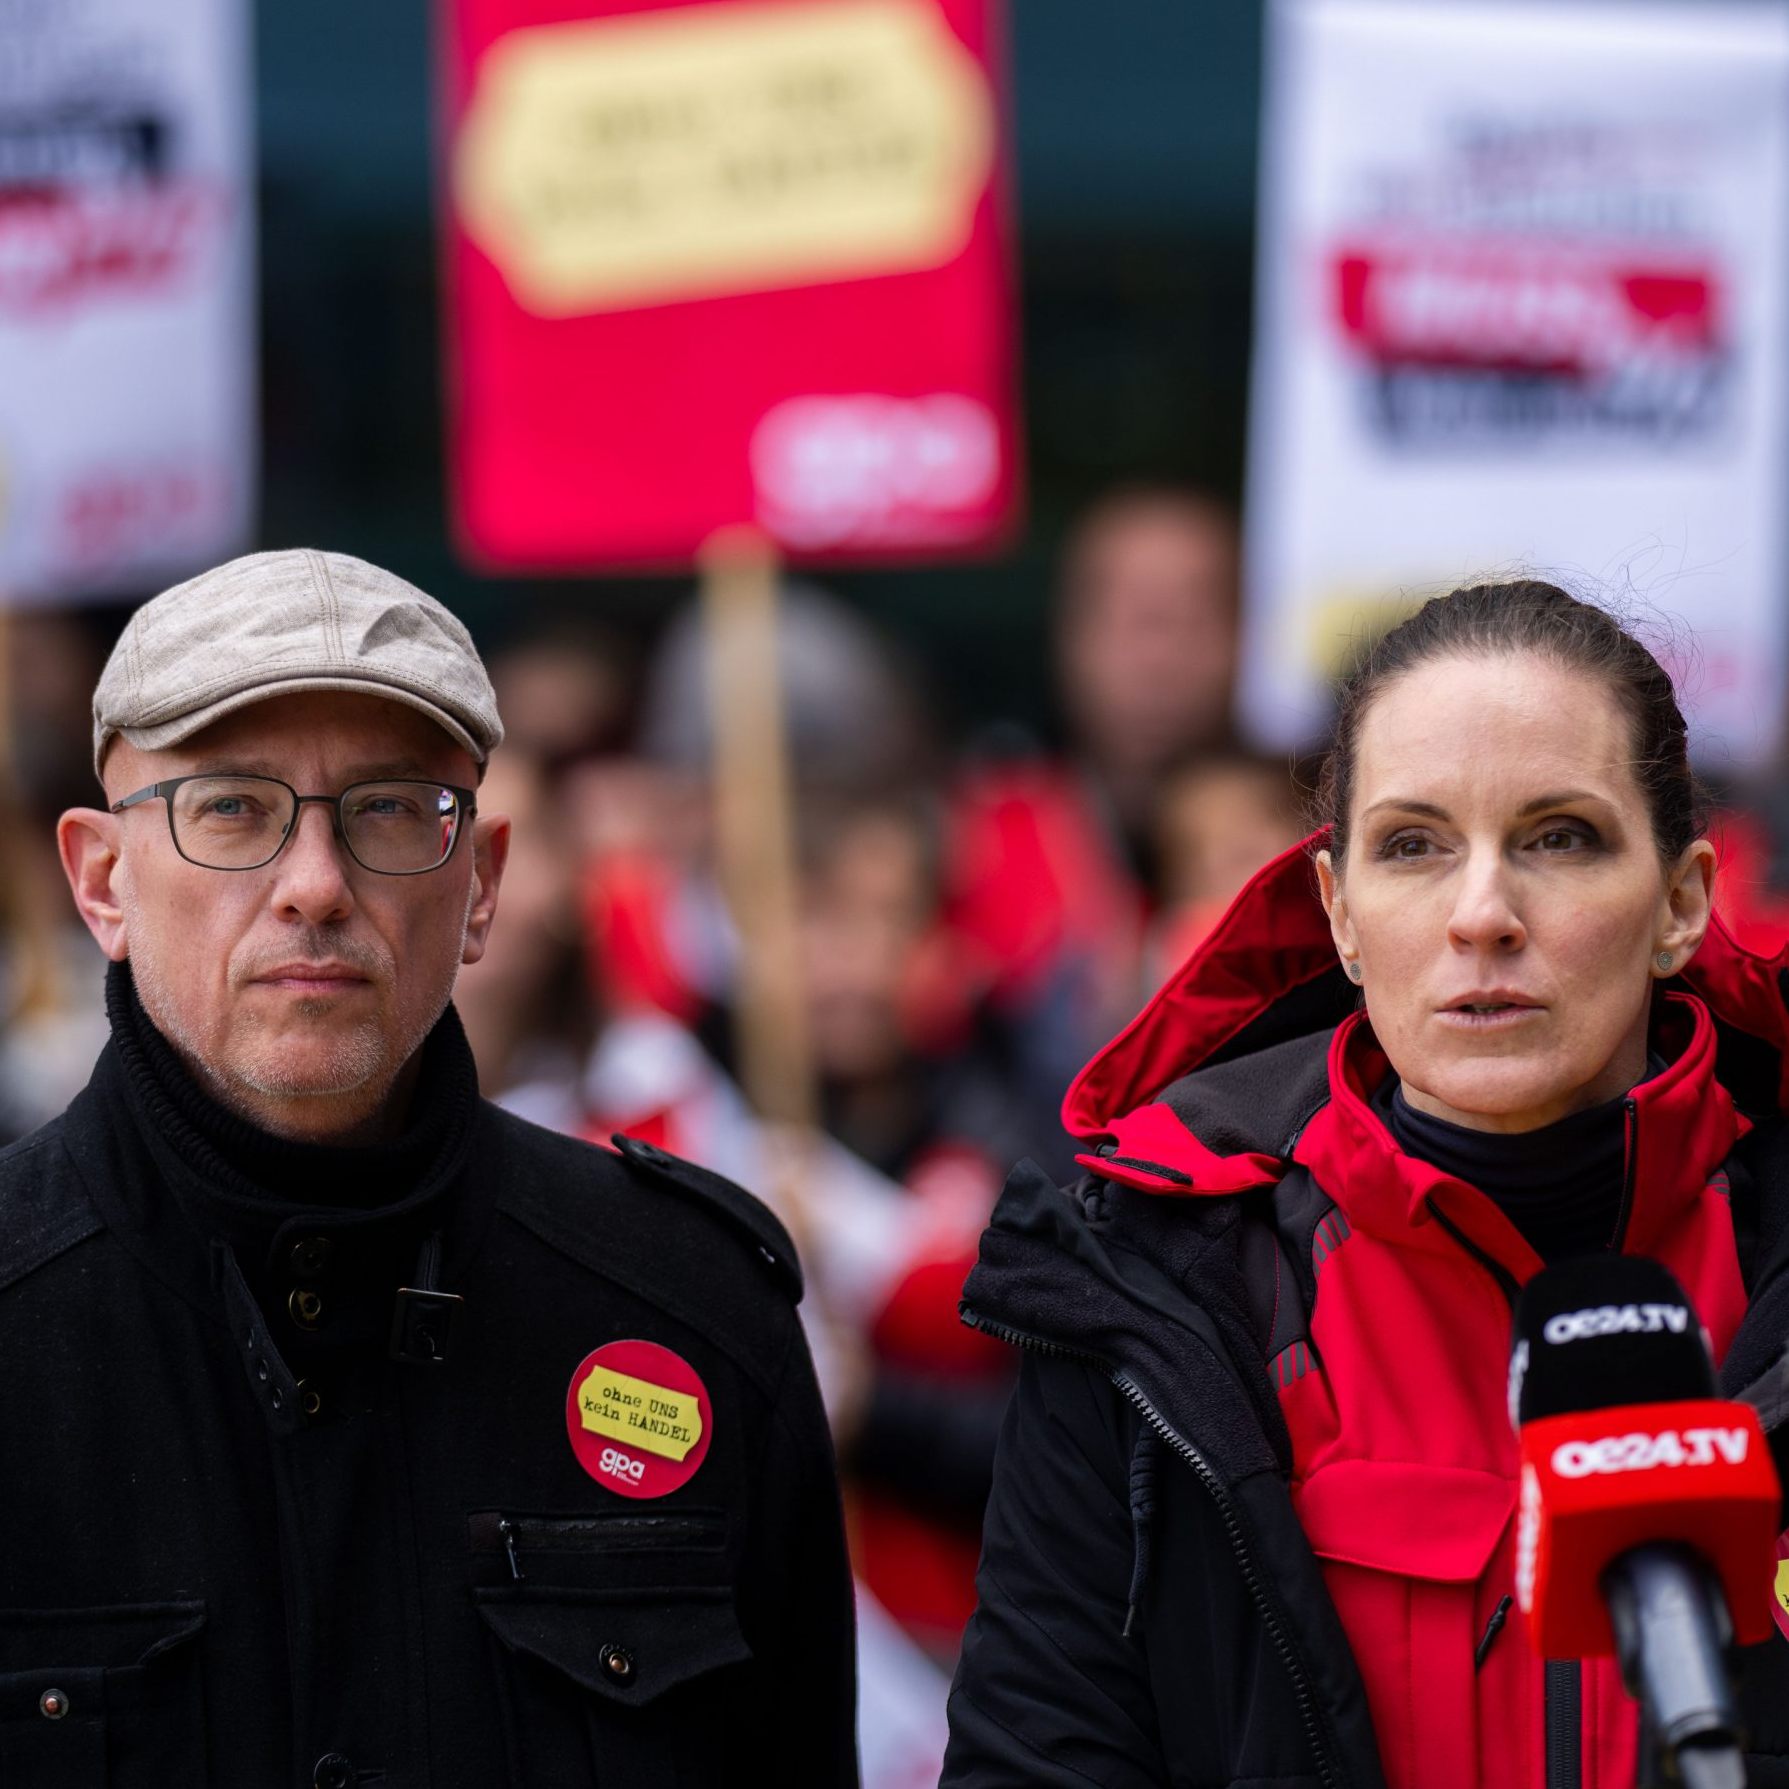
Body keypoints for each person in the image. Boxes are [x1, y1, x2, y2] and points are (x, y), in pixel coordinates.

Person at [0, 549, 857, 1788]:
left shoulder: (694, 1308)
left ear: (483, 886)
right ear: (100, 879)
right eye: (232, 806)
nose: (313, 886)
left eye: (391, 809)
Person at [943, 581, 1789, 1788]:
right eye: (1413, 846)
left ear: (1682, 903)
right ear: (1338, 914)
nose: (1482, 913)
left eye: (1559, 836)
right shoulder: (1150, 1284)